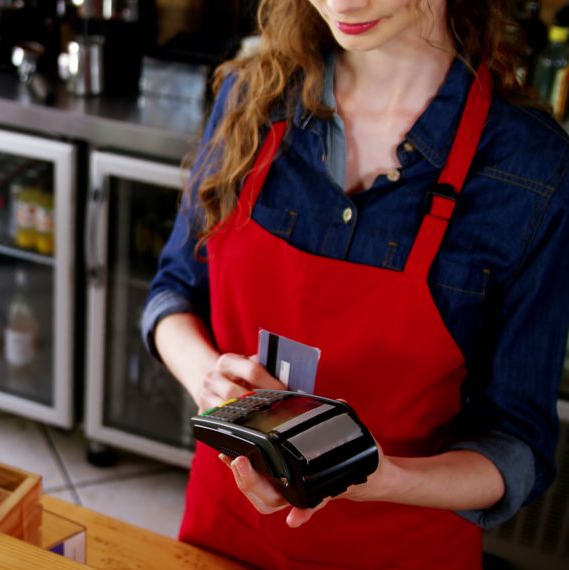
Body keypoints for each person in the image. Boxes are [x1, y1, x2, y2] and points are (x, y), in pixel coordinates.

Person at [141, 0, 569, 567]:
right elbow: (174, 290)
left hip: (399, 546)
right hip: (225, 531)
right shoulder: (251, 99)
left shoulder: (533, 171)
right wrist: (209, 383)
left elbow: (517, 443)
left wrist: (386, 478)